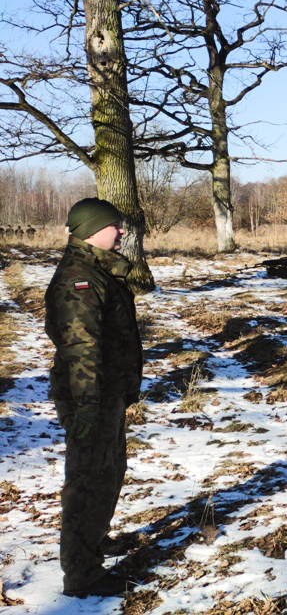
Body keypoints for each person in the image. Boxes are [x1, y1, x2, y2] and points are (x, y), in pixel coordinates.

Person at [45, 198, 143, 597]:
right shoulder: (79, 279)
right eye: (115, 225)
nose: (122, 231)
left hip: (106, 392)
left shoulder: (98, 270)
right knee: (88, 481)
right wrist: (86, 408)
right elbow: (81, 350)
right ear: (91, 230)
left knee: (109, 472)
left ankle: (93, 542)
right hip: (90, 396)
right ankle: (81, 574)